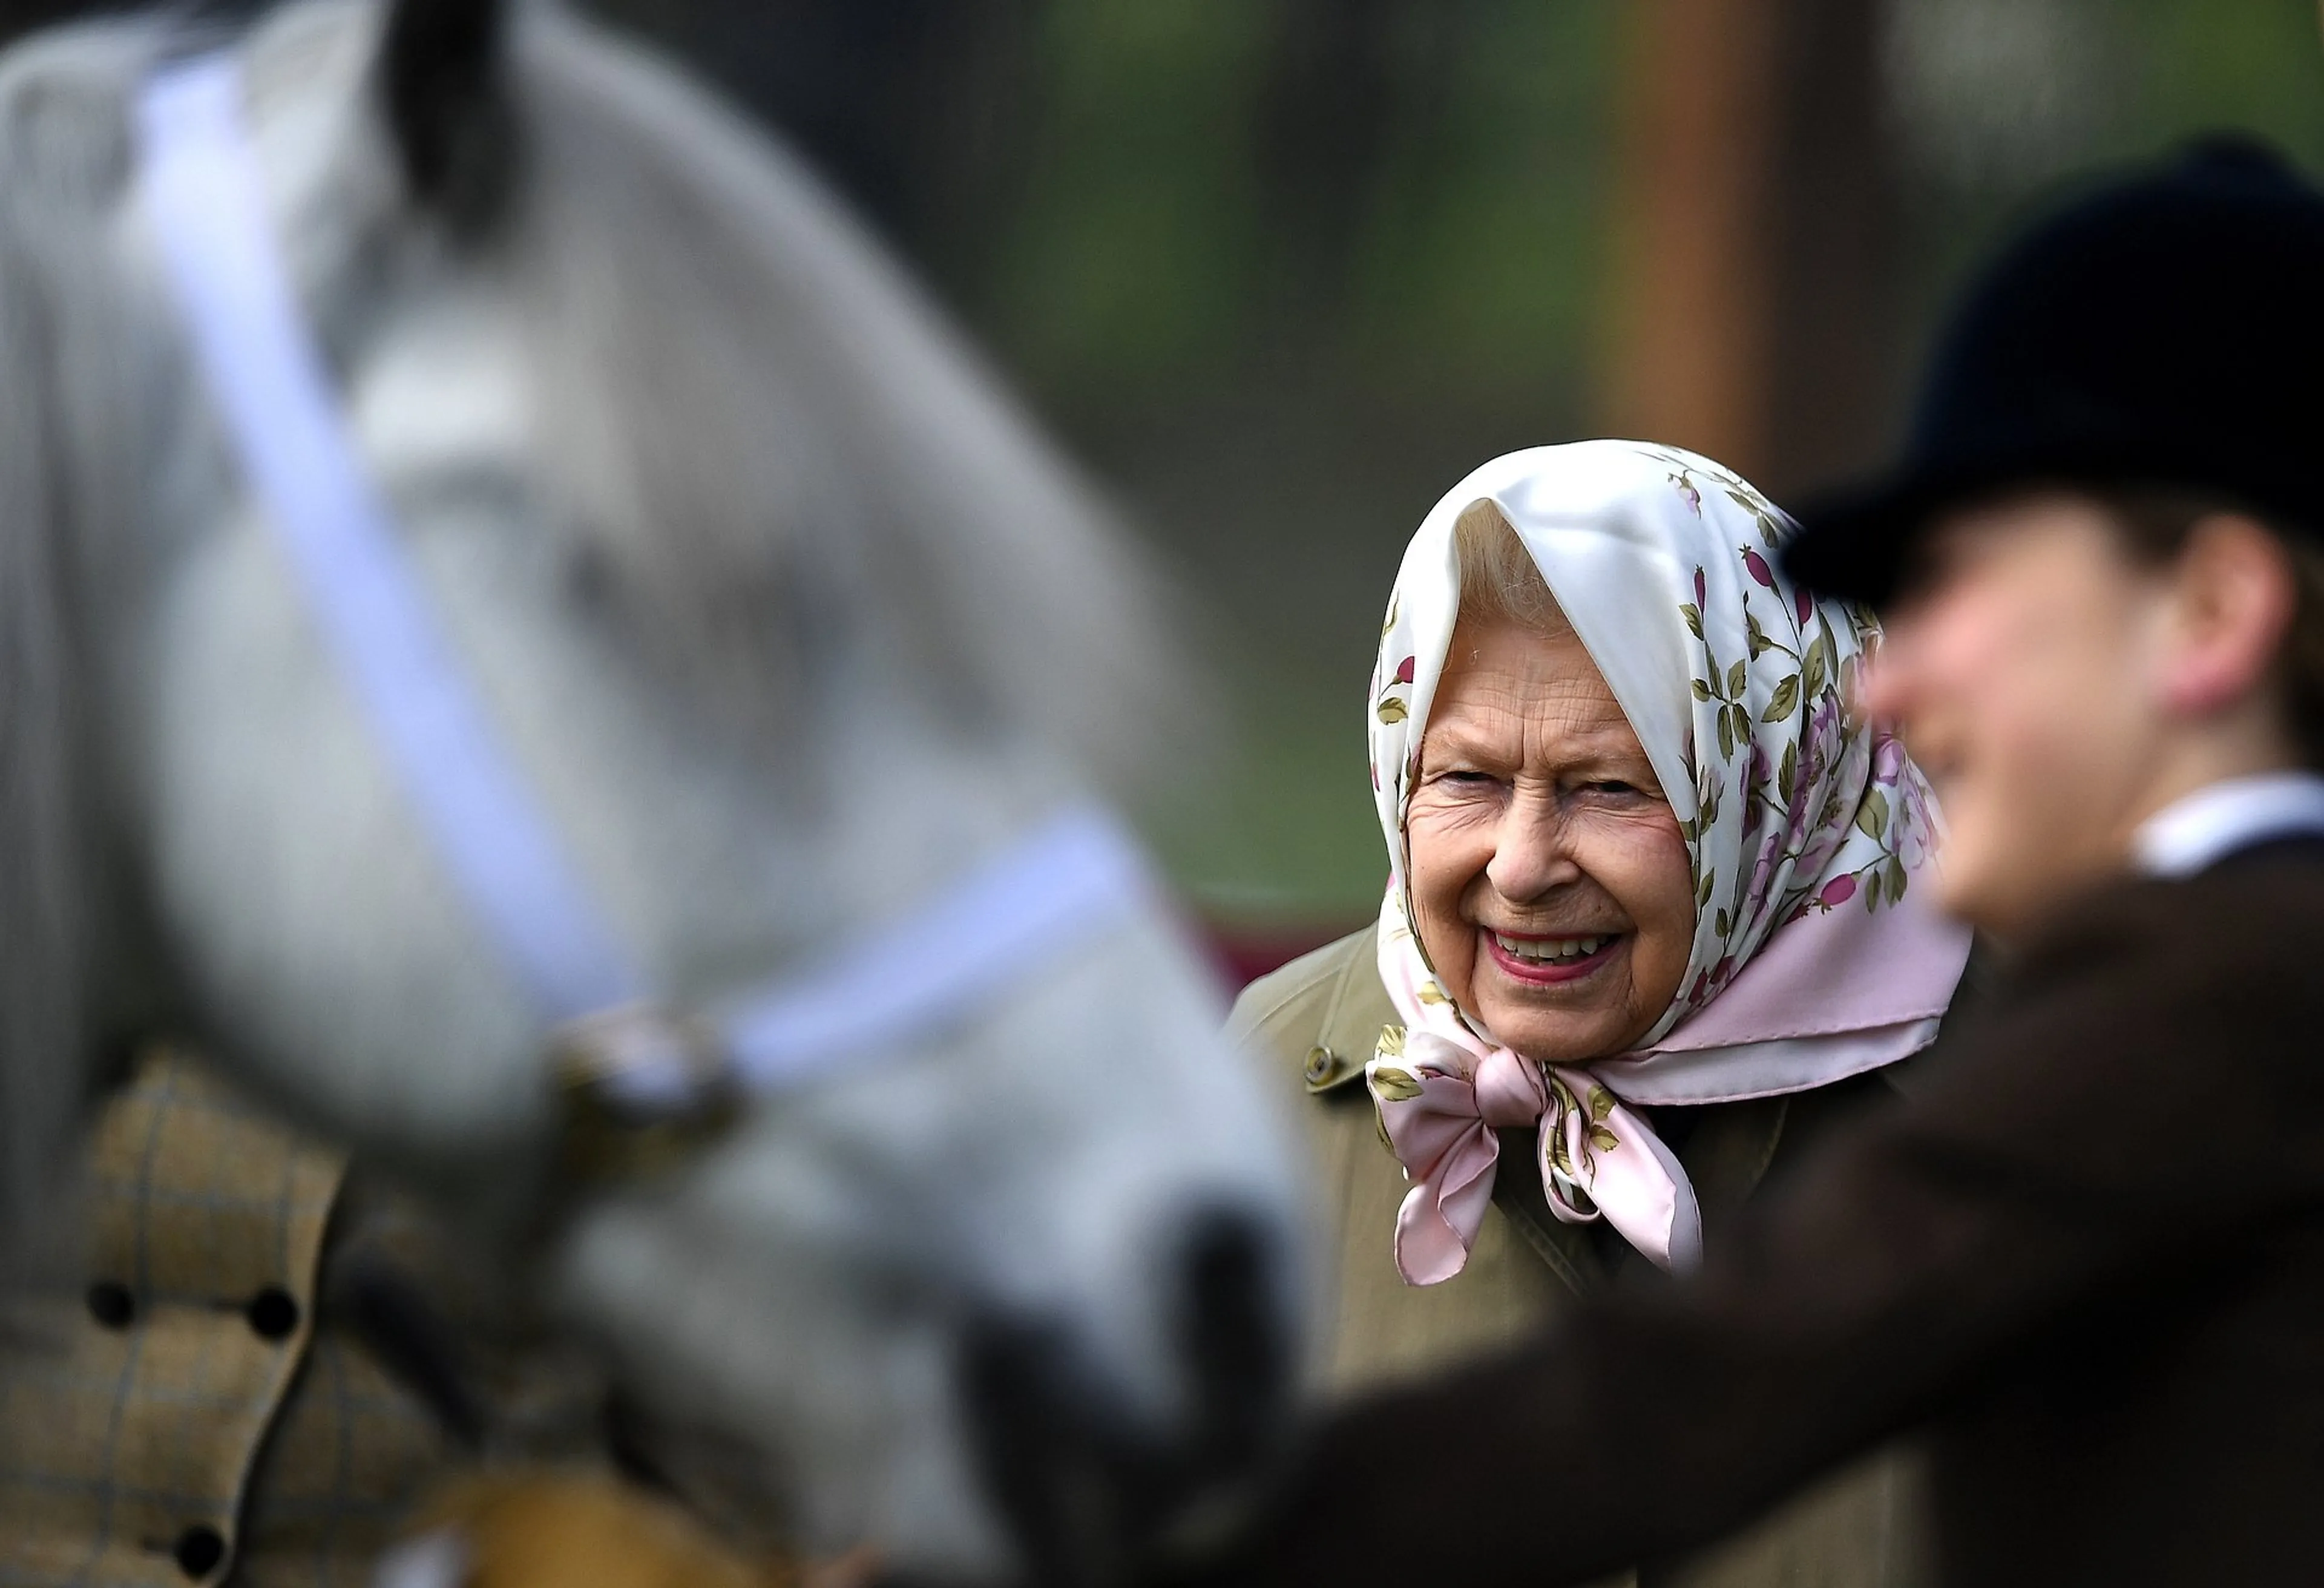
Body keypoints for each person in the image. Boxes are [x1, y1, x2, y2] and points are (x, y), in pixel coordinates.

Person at [1185, 142, 2324, 1588]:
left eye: (1961, 582)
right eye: (1465, 776)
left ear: (2215, 613)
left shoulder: (2209, 992)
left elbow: (1696, 1397)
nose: (1884, 691)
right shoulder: (1274, 1065)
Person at [1229, 440, 1969, 1582]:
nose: (1521, 868)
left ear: (1775, 789)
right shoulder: (1273, 1076)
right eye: (1467, 778)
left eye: (1612, 788)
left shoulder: (2021, 1085)